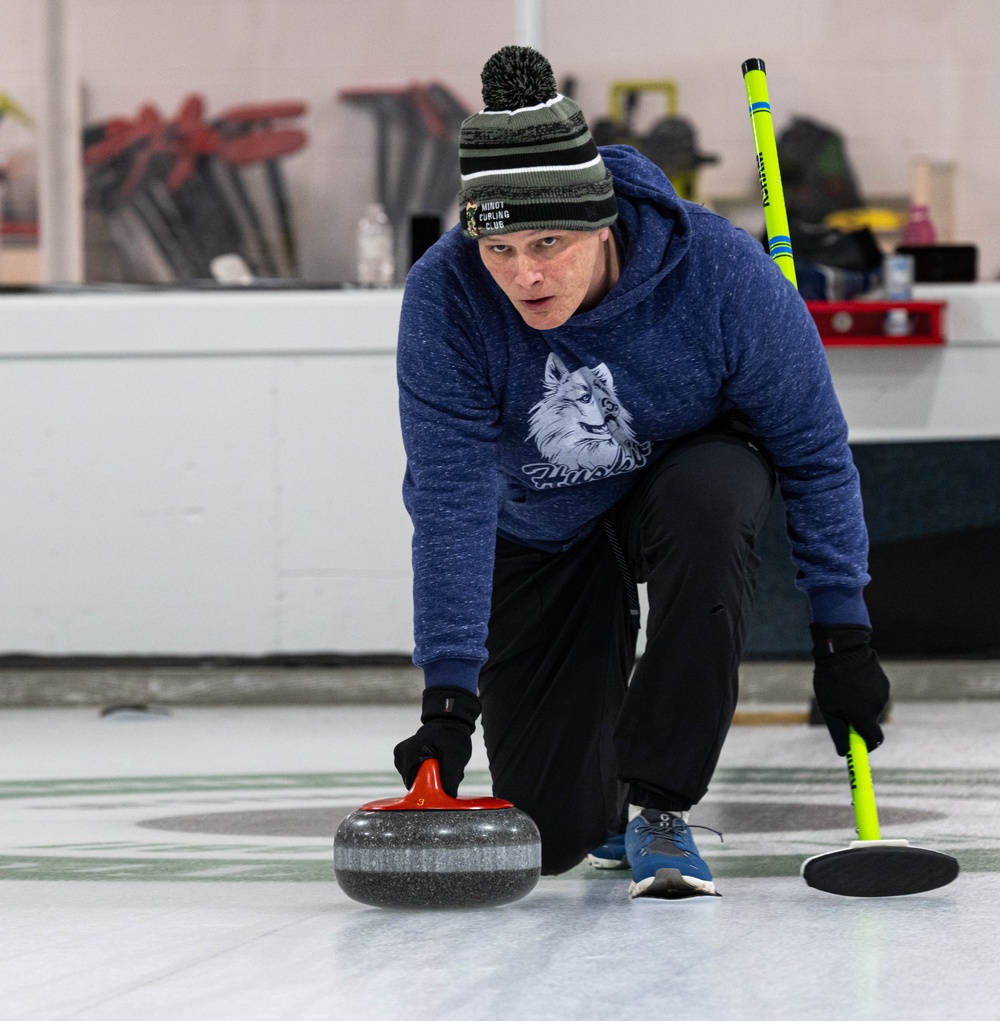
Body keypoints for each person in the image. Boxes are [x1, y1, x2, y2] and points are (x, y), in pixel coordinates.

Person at [392, 45, 890, 900]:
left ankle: (661, 804)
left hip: (680, 483)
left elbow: (813, 454)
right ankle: (606, 803)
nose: (526, 275)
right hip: (543, 523)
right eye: (500, 248)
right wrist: (446, 699)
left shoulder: (718, 274)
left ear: (600, 220)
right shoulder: (445, 298)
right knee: (553, 834)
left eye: (547, 242)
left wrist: (843, 633)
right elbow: (450, 501)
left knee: (711, 501)